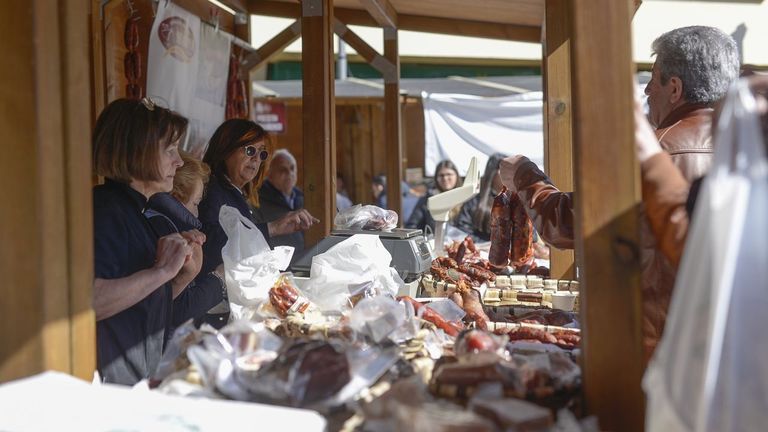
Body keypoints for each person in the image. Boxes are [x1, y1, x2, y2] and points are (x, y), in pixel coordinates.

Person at [498, 26, 740, 358]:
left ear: (674, 88)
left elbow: (564, 223)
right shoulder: (749, 155)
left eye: (653, 79)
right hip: (734, 356)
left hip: (652, 355)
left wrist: (524, 175)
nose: (646, 89)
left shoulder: (651, 152)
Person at [92, 98, 203, 385]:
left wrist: (181, 276)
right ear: (136, 152)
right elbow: (89, 301)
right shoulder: (105, 211)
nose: (178, 161)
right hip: (111, 393)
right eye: (169, 150)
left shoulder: (139, 212)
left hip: (139, 382)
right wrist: (162, 272)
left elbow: (139, 305)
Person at [198, 119, 318, 277]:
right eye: (249, 151)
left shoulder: (234, 192)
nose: (256, 159)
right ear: (226, 149)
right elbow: (212, 242)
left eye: (261, 153)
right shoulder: (211, 190)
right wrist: (272, 227)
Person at [147, 152, 226, 328]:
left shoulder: (160, 220)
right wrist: (220, 279)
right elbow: (180, 309)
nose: (197, 213)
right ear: (177, 198)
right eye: (196, 204)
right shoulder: (166, 229)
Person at [253, 149, 307, 257]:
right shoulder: (257, 200)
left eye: (292, 168)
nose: (289, 173)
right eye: (283, 170)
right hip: (274, 266)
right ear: (269, 174)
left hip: (303, 262)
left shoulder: (304, 199)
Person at [455, 153, 507, 242]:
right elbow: (462, 230)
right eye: (504, 169)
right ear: (493, 173)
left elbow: (529, 235)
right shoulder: (475, 201)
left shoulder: (517, 200)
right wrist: (485, 245)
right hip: (480, 252)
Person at [406, 160, 460, 232]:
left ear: (456, 175)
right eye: (441, 175)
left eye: (449, 174)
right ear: (436, 178)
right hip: (435, 241)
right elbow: (411, 226)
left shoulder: (466, 197)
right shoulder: (428, 199)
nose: (445, 178)